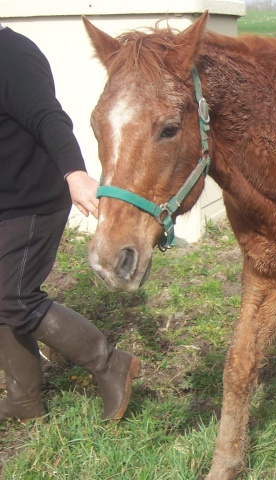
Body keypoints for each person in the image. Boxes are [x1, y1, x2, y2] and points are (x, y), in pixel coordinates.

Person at [0, 23, 141, 422]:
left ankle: (109, 363)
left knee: (15, 297)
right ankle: (23, 400)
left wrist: (75, 173)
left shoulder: (11, 53)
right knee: (2, 299)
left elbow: (48, 117)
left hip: (28, 202)